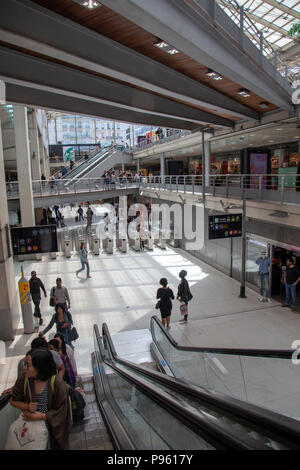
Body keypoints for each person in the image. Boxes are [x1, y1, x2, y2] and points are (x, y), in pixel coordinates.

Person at [10, 348, 72, 450]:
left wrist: (36, 417)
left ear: (40, 367)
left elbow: (62, 411)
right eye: (25, 364)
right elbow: (13, 401)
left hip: (52, 432)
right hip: (31, 432)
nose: (24, 368)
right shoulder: (24, 379)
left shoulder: (56, 382)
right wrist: (26, 407)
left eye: (28, 365)